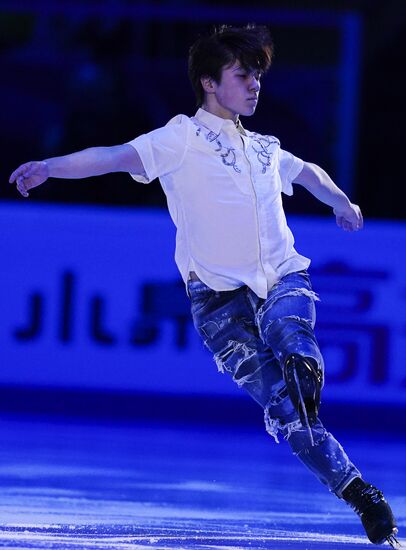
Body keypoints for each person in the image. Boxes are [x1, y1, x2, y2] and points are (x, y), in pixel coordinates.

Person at [9, 24, 399, 547]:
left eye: (258, 74)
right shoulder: (180, 139)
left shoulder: (265, 148)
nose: (256, 83)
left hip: (283, 278)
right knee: (287, 414)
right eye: (243, 74)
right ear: (210, 83)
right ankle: (360, 495)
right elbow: (113, 156)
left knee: (293, 340)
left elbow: (306, 172)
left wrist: (341, 202)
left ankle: (304, 371)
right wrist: (50, 167)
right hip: (218, 305)